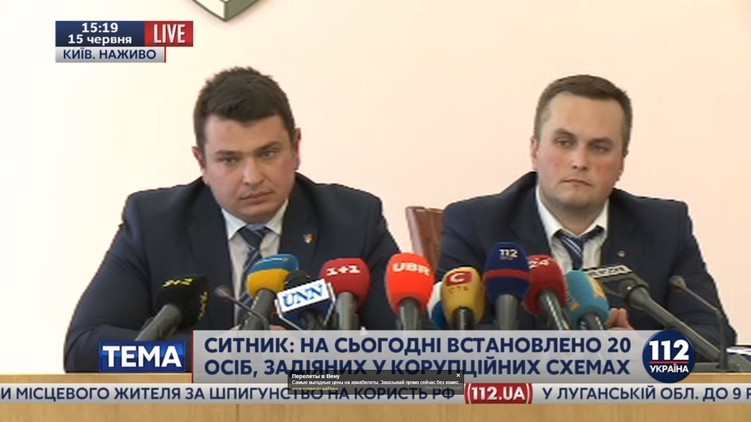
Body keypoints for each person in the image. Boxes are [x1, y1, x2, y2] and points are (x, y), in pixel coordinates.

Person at [64, 66, 401, 372]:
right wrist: (222, 353)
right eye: (229, 160)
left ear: (296, 148)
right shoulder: (154, 224)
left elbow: (415, 353)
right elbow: (85, 350)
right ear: (202, 163)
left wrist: (311, 357)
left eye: (268, 153)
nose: (252, 177)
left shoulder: (352, 220)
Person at [437, 74, 735, 348]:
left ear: (622, 161)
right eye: (564, 142)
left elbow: (714, 335)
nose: (580, 161)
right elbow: (446, 337)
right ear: (535, 150)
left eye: (599, 147)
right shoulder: (475, 224)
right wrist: (575, 351)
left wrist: (639, 349)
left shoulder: (665, 226)